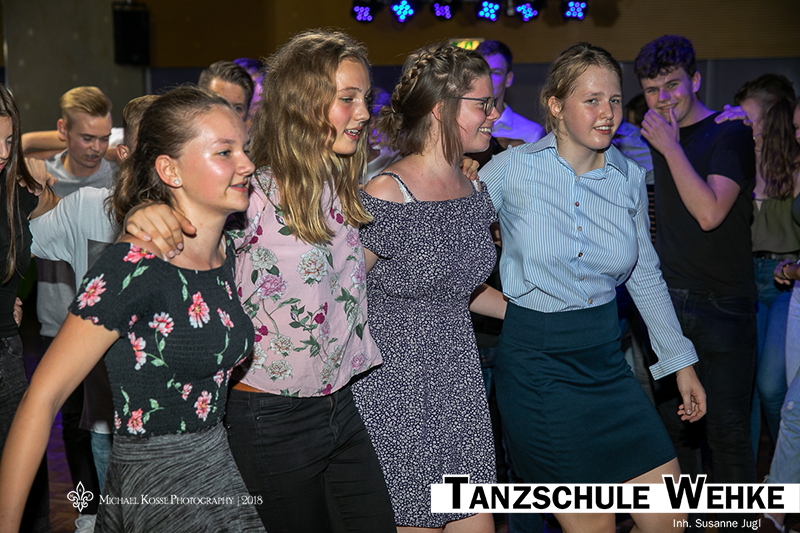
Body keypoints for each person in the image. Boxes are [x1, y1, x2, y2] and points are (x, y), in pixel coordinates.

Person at [128, 30, 397, 533]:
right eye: (347, 99)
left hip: (341, 405)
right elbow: (181, 220)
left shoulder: (340, 186)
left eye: (365, 97)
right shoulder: (254, 195)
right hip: (271, 415)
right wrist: (145, 212)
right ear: (303, 104)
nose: (363, 112)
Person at [0, 86, 265, 533]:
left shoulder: (226, 250)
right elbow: (43, 397)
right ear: (169, 170)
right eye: (225, 152)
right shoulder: (133, 264)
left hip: (218, 468)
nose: (247, 164)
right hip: (156, 485)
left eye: (245, 148)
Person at [479, 42, 705, 533]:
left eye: (615, 100)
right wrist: (512, 311)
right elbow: (447, 261)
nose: (608, 113)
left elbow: (645, 274)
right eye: (592, 100)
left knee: (671, 519)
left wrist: (680, 363)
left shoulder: (629, 177)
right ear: (556, 105)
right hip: (538, 371)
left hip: (607, 364)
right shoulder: (509, 171)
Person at [350, 42, 505, 533]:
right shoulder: (386, 193)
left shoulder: (473, 187)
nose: (494, 114)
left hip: (460, 387)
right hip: (396, 393)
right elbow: (341, 296)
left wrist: (539, 318)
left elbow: (458, 287)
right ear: (442, 109)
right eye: (483, 103)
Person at [635, 36, 758, 532]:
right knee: (676, 435)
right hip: (667, 304)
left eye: (672, 85)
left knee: (727, 436)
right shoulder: (650, 135)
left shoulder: (730, 133)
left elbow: (709, 213)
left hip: (723, 305)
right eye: (652, 90)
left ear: (696, 79)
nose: (664, 98)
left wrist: (668, 147)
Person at [29, 95, 159, 505]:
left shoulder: (205, 220)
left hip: (183, 430)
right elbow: (14, 239)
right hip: (107, 419)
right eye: (152, 147)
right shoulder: (88, 207)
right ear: (128, 154)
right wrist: (24, 175)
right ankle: (87, 513)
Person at [715, 74, 800, 452]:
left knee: (771, 385)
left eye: (749, 117)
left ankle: (787, 467)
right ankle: (745, 475)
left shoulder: (793, 163)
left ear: (772, 118)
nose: (743, 123)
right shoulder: (738, 160)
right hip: (746, 277)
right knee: (745, 386)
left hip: (785, 279)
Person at [0, 83, 59, 533]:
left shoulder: (15, 193)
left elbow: (49, 210)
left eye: (8, 140)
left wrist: (39, 178)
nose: (3, 153)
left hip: (7, 357)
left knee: (23, 491)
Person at [474, 40, 545, 146]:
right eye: (481, 72)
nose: (488, 79)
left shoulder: (532, 134)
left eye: (495, 73)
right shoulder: (460, 126)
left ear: (508, 79)